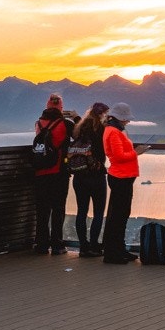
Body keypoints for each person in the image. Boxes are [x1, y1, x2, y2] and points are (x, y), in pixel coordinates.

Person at [31, 93, 74, 254]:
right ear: (61, 108)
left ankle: (41, 244)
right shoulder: (65, 124)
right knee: (58, 208)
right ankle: (57, 244)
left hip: (40, 172)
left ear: (47, 107)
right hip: (58, 172)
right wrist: (75, 117)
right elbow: (80, 135)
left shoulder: (39, 123)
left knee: (42, 210)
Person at [102, 101, 142, 264]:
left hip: (123, 177)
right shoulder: (113, 132)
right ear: (119, 118)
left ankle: (118, 249)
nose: (128, 121)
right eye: (126, 118)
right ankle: (113, 253)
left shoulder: (113, 130)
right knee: (118, 216)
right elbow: (118, 156)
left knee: (120, 215)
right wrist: (136, 152)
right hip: (121, 178)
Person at [69, 101, 110, 257]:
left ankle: (83, 247)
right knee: (98, 212)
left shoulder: (80, 128)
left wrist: (76, 118)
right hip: (97, 176)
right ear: (101, 114)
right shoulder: (102, 129)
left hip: (79, 176)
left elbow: (80, 128)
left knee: (81, 212)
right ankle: (94, 246)